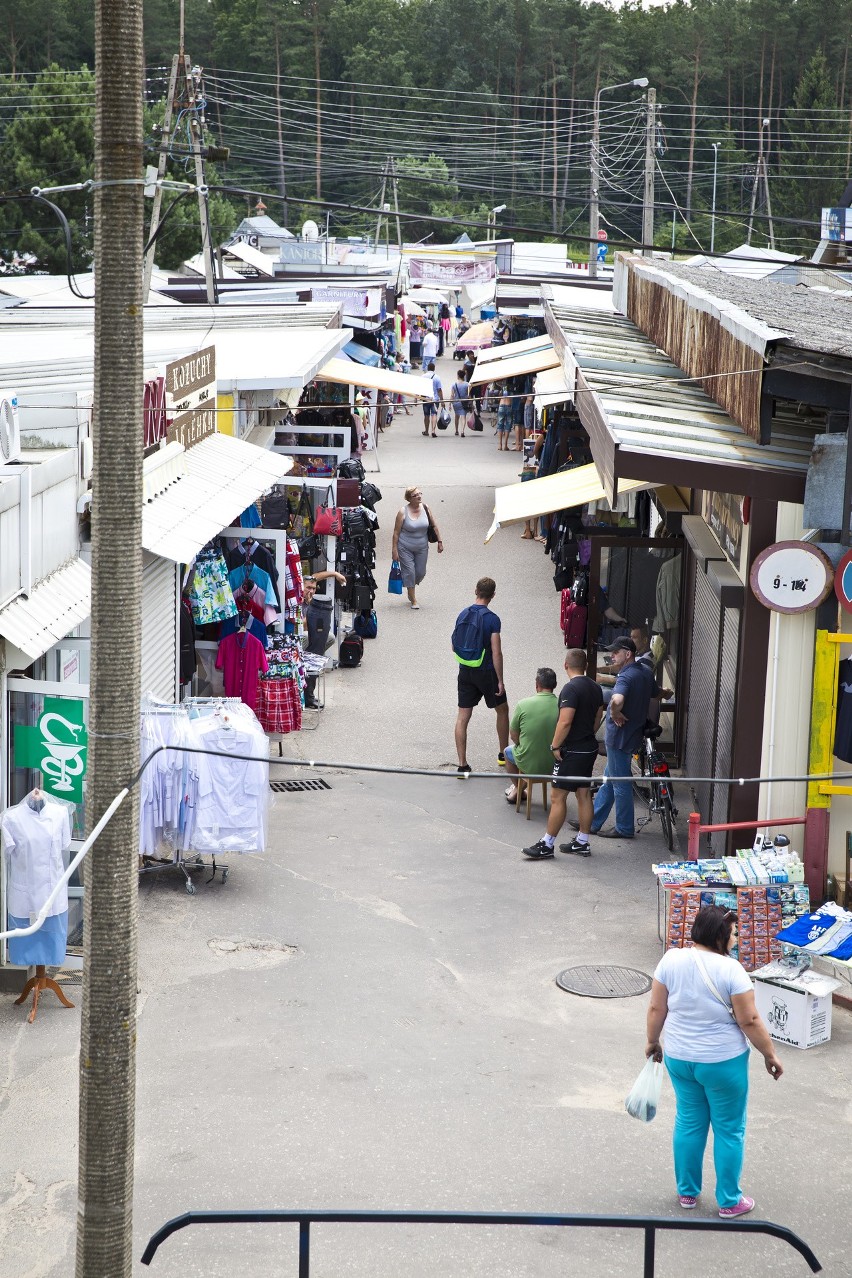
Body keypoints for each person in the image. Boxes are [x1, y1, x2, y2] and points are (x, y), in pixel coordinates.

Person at [645, 905, 783, 1217]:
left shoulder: (671, 959)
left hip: (680, 1059)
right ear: (721, 936)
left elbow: (656, 1008)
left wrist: (652, 1042)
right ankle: (730, 1201)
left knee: (689, 1122)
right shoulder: (731, 970)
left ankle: (687, 1193)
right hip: (722, 1063)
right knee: (729, 1129)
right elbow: (749, 1020)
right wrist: (770, 1054)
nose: (736, 939)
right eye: (734, 933)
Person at [522, 649, 603, 859]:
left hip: (572, 750)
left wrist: (555, 746)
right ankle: (582, 842)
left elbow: (565, 721)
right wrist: (588, 734)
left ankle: (547, 844)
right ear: (585, 666)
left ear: (566, 665)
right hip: (589, 747)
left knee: (558, 796)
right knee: (584, 793)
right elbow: (597, 716)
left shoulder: (570, 689)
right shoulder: (595, 687)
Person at [586, 636, 655, 838]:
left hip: (618, 738)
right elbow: (657, 692)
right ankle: (592, 821)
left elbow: (617, 698)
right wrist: (667, 693)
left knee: (620, 783)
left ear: (628, 654)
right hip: (633, 735)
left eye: (616, 652)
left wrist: (614, 712)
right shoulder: (645, 672)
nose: (612, 655)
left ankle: (624, 828)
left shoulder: (626, 677)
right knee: (609, 779)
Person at [453, 577, 509, 773]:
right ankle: (504, 755)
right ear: (493, 595)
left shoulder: (462, 614)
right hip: (486, 672)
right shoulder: (492, 619)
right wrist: (500, 680)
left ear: (475, 590)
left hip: (465, 670)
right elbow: (496, 652)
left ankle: (462, 766)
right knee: (502, 710)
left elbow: (454, 645)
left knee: (463, 717)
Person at [503, 668, 559, 805]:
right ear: (555, 685)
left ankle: (518, 789)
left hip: (529, 762)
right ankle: (518, 790)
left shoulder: (524, 704)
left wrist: (520, 744)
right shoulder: (562, 705)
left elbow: (514, 735)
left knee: (507, 752)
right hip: (556, 762)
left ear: (536, 685)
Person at [391, 485, 443, 609]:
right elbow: (396, 532)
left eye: (420, 493)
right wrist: (394, 550)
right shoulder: (403, 511)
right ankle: (413, 598)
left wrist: (440, 541)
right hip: (405, 547)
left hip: (422, 547)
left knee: (420, 573)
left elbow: (434, 526)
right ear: (409, 498)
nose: (419, 496)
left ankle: (410, 586)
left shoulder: (425, 508)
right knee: (410, 572)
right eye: (415, 495)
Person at [303, 570, 347, 706]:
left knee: (329, 637)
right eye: (308, 588)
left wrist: (335, 574)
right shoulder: (297, 600)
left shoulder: (311, 598)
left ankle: (311, 667)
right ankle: (308, 693)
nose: (311, 591)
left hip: (310, 638)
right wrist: (312, 609)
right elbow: (302, 626)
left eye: (314, 589)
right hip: (298, 636)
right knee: (315, 645)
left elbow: (316, 577)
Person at [422, 361, 445, 438]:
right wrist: (442, 401)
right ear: (434, 369)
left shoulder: (423, 376)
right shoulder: (437, 377)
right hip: (435, 400)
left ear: (427, 368)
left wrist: (416, 398)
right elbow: (439, 390)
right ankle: (433, 430)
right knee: (434, 414)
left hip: (425, 399)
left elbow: (419, 388)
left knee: (426, 415)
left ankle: (426, 430)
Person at [450, 368, 470, 436]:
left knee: (457, 416)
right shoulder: (467, 384)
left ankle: (456, 430)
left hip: (456, 403)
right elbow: (469, 395)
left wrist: (450, 404)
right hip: (464, 402)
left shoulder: (454, 384)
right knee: (463, 416)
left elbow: (452, 395)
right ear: (464, 376)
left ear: (458, 376)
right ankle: (462, 431)